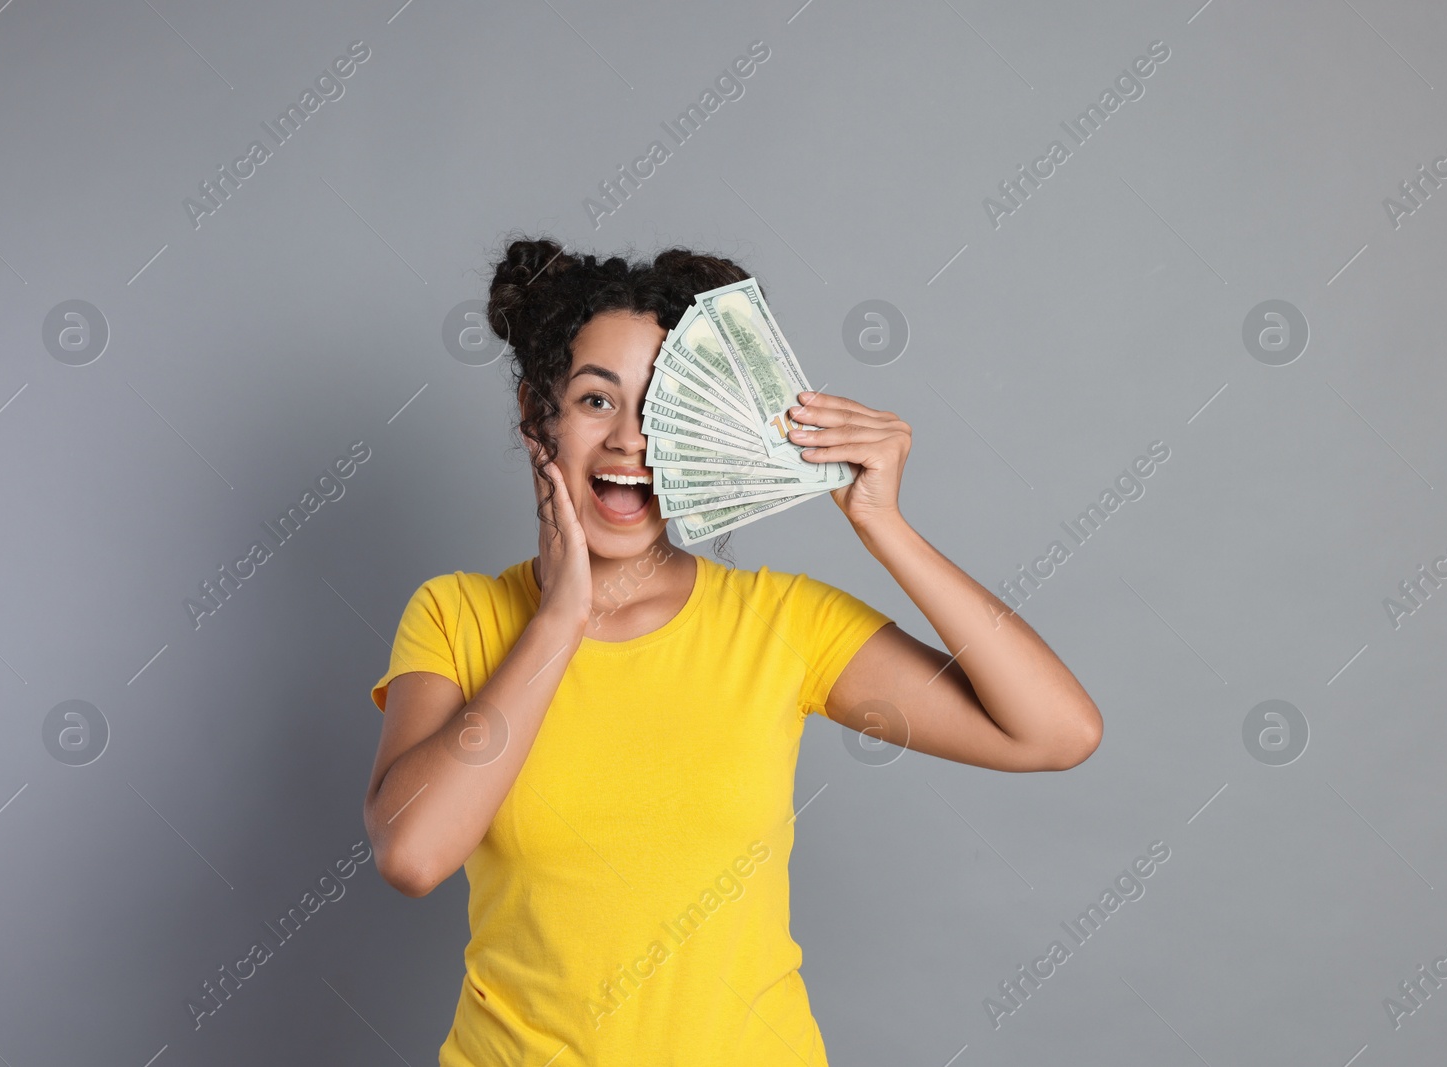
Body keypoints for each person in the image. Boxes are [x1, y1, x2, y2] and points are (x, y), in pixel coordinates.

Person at [363, 237, 1103, 1066]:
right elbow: (412, 851)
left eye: (666, 404)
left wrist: (882, 525)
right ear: (541, 416)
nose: (631, 439)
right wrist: (557, 621)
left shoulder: (781, 622)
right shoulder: (458, 614)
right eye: (597, 401)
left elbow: (1056, 731)